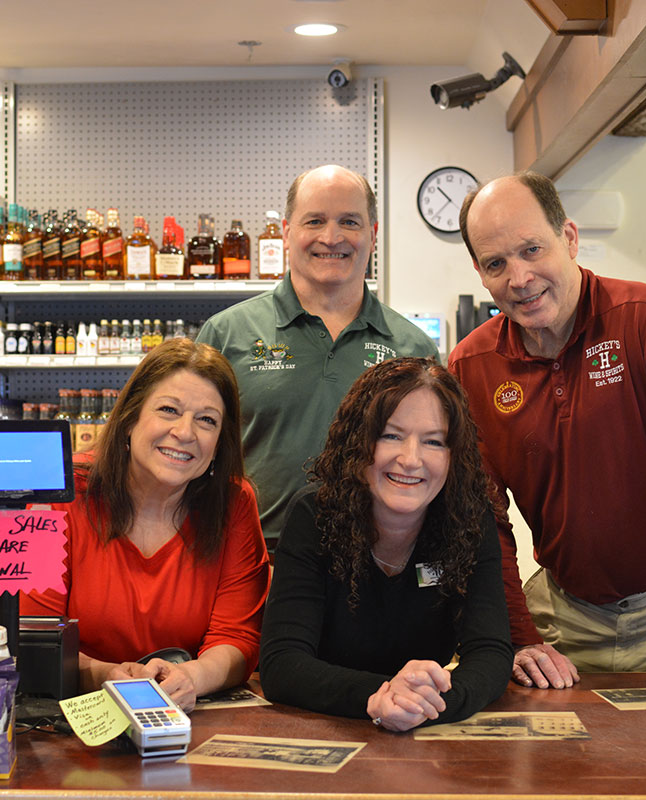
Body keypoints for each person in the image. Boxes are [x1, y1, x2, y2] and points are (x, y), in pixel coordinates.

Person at [448, 170, 646, 703]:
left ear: (569, 238)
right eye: (497, 263)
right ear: (479, 272)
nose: (520, 278)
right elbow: (481, 517)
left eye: (532, 249)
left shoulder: (645, 320)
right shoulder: (472, 365)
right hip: (563, 621)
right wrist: (520, 635)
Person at [260, 357, 513, 731]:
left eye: (433, 441)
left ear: (453, 455)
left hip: (426, 729)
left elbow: (491, 653)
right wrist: (378, 697)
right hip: (328, 727)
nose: (410, 459)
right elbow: (282, 664)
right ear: (358, 441)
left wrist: (431, 704)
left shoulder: (469, 520)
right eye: (391, 435)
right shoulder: (314, 515)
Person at [196, 165, 439, 551]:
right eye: (315, 221)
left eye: (349, 221)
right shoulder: (226, 335)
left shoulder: (413, 347)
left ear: (373, 236)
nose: (331, 237)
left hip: (375, 566)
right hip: (253, 565)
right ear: (288, 233)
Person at [22, 338, 270, 711]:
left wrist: (193, 677)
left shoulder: (234, 503)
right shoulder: (59, 495)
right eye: (168, 410)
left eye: (207, 420)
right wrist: (102, 675)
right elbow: (35, 633)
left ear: (221, 442)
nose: (186, 433)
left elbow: (237, 637)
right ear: (129, 418)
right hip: (70, 717)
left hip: (186, 718)